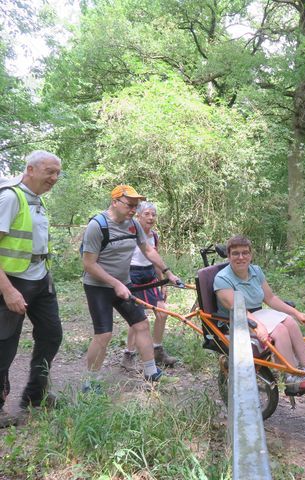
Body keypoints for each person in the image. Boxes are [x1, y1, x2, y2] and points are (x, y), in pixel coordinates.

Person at [81, 185, 182, 391]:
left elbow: (147, 250)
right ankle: (90, 382)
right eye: (130, 205)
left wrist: (168, 271)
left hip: (123, 283)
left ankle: (151, 373)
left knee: (142, 325)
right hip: (98, 286)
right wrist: (115, 283)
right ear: (115, 202)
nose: (133, 210)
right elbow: (89, 264)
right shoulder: (98, 225)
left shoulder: (133, 225)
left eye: (136, 206)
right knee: (104, 334)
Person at [213, 235, 305, 395]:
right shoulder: (222, 279)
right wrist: (258, 326)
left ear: (251, 254)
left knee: (290, 321)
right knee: (280, 330)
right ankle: (291, 378)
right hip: (236, 321)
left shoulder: (255, 271)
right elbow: (238, 310)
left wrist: (297, 313)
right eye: (236, 253)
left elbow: (271, 298)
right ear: (228, 255)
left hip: (258, 314)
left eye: (245, 253)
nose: (241, 257)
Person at [0, 151, 63, 428]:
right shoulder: (10, 198)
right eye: (49, 171)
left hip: (40, 279)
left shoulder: (37, 201)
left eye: (57, 173)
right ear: (30, 169)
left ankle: (35, 396)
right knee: (5, 346)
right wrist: (9, 291)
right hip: (12, 282)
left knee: (51, 335)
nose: (54, 178)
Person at [121, 201, 177, 370]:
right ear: (138, 215)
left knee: (162, 312)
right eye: (147, 214)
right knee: (136, 318)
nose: (151, 217)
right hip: (132, 277)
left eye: (153, 214)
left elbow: (154, 261)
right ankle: (128, 355)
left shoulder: (154, 236)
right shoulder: (129, 233)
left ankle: (157, 350)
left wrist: (162, 284)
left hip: (150, 276)